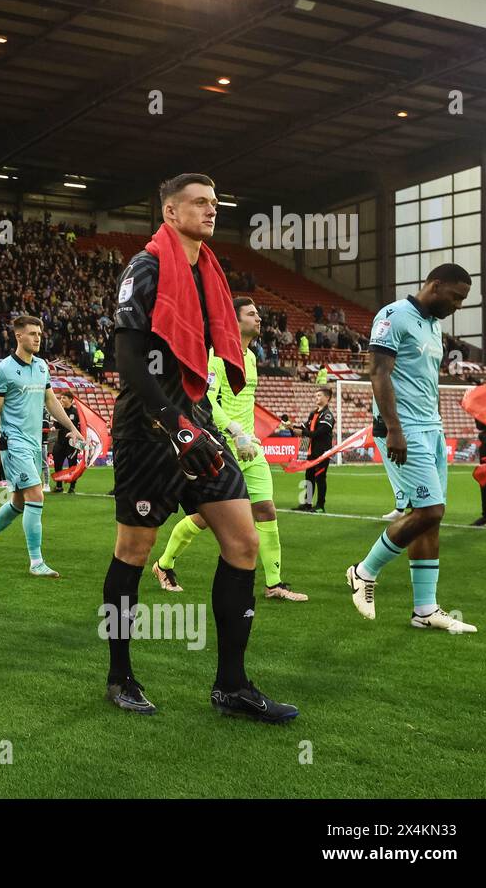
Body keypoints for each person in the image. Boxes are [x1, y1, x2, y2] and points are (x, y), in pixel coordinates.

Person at [102, 173, 296, 721]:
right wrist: (174, 425)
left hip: (197, 421)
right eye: (199, 203)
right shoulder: (147, 266)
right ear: (169, 212)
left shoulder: (209, 273)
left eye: (215, 203)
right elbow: (130, 362)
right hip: (147, 429)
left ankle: (232, 686)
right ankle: (120, 677)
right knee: (133, 553)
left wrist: (199, 425)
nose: (212, 211)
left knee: (243, 544)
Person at [346, 264, 477, 634]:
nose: (458, 305)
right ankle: (363, 571)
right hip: (403, 430)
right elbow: (379, 373)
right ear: (435, 286)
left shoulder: (434, 326)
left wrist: (436, 424)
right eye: (455, 296)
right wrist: (394, 429)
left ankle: (424, 610)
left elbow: (424, 381)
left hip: (430, 430)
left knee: (432, 517)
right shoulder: (393, 315)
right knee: (428, 510)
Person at [151, 298, 308, 601]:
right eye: (251, 314)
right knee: (208, 518)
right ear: (234, 321)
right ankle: (164, 564)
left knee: (265, 510)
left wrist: (249, 437)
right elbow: (204, 401)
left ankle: (274, 584)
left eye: (258, 313)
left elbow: (244, 404)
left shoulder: (249, 357)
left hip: (251, 448)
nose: (259, 318)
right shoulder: (217, 357)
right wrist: (235, 433)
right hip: (224, 446)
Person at [0, 317, 82, 577]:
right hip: (14, 443)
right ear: (18, 336)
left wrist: (73, 428)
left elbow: (51, 401)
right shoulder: (4, 370)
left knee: (19, 503)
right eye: (32, 333)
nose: (37, 338)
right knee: (36, 496)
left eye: (39, 333)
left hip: (34, 444)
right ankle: (36, 562)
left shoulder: (42, 366)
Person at [290, 387, 334, 512]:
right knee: (308, 477)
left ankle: (320, 505)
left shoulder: (328, 415)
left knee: (320, 478)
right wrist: (291, 427)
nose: (316, 397)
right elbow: (304, 429)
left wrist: (302, 431)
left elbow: (318, 433)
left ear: (327, 398)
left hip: (322, 452)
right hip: (310, 451)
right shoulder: (313, 414)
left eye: (319, 395)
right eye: (316, 395)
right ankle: (307, 503)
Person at [48, 388, 84, 494]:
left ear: (71, 400)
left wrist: (77, 438)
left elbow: (82, 429)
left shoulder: (76, 413)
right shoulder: (59, 411)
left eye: (64, 398)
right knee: (57, 464)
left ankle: (72, 487)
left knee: (72, 466)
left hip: (72, 444)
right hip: (60, 442)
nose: (61, 399)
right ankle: (59, 486)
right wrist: (54, 427)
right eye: (61, 397)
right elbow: (56, 424)